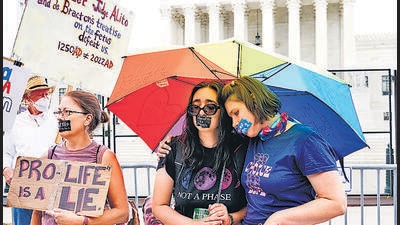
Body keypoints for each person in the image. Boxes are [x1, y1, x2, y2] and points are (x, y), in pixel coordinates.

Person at [159, 76, 347, 225]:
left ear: (254, 101)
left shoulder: (304, 139)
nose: (234, 123)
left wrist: (278, 219)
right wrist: (231, 218)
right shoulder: (254, 139)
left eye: (236, 113)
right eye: (230, 116)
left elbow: (336, 203)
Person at [152, 81, 248, 225]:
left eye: (210, 107)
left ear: (224, 111)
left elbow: (256, 203)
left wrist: (231, 218)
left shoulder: (242, 149)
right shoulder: (173, 148)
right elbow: (159, 206)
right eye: (195, 107)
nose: (201, 112)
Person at [30, 90, 130, 225]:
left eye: (67, 112)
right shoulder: (48, 157)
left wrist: (82, 221)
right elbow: (37, 212)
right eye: (59, 112)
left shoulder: (104, 157)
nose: (60, 117)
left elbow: (122, 213)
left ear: (87, 119)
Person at [3, 75, 59, 225]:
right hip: (21, 186)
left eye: (46, 94)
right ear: (28, 97)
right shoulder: (15, 122)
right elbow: (6, 152)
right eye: (41, 94)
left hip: (49, 184)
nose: (45, 97)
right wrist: (6, 169)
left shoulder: (56, 123)